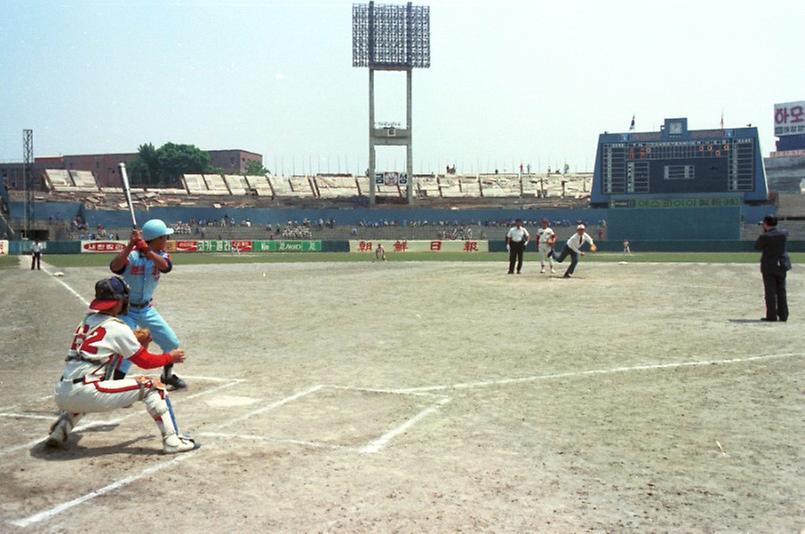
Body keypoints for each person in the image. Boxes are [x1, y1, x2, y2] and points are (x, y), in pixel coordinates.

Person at [45, 276, 196, 453]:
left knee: (85, 389)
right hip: (86, 392)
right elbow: (146, 362)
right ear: (119, 301)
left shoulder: (85, 322)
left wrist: (139, 343)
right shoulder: (117, 327)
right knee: (152, 386)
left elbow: (114, 357)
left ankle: (59, 430)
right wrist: (170, 357)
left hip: (62, 392)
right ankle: (172, 441)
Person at [109, 219, 186, 389]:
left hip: (146, 309)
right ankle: (116, 384)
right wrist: (131, 245)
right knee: (130, 346)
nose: (166, 240)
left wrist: (147, 250)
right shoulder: (133, 256)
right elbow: (114, 267)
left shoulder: (161, 256)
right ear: (156, 238)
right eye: (164, 237)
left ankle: (167, 376)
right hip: (127, 311)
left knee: (171, 342)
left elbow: (166, 267)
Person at [754, 215, 790, 322]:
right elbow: (783, 231)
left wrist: (765, 232)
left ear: (765, 223)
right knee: (781, 290)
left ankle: (771, 315)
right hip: (782, 264)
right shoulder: (784, 234)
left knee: (770, 292)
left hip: (769, 266)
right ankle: (783, 315)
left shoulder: (764, 236)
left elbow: (757, 247)